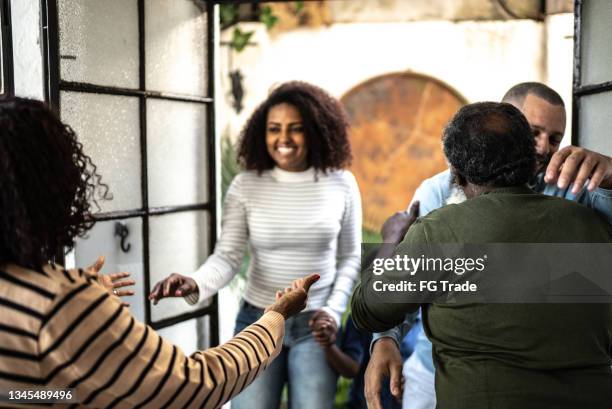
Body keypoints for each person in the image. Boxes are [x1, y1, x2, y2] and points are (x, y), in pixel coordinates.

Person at [0, 97, 320, 408]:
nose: (284, 138)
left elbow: (25, 394)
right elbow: (194, 384)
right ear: (53, 187)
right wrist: (275, 316)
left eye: (296, 128)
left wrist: (76, 296)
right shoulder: (62, 305)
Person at [365, 82, 612, 409]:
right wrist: (385, 338)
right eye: (532, 132)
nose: (542, 147)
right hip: (439, 369)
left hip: (554, 378)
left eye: (554, 138)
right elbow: (403, 283)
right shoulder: (438, 191)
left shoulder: (575, 188)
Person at [148, 81, 362, 409]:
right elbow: (228, 256)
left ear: (317, 131)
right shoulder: (246, 186)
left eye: (296, 129)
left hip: (316, 329)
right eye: (274, 129)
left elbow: (349, 257)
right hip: (257, 322)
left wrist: (332, 312)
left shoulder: (341, 183)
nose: (284, 139)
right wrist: (194, 282)